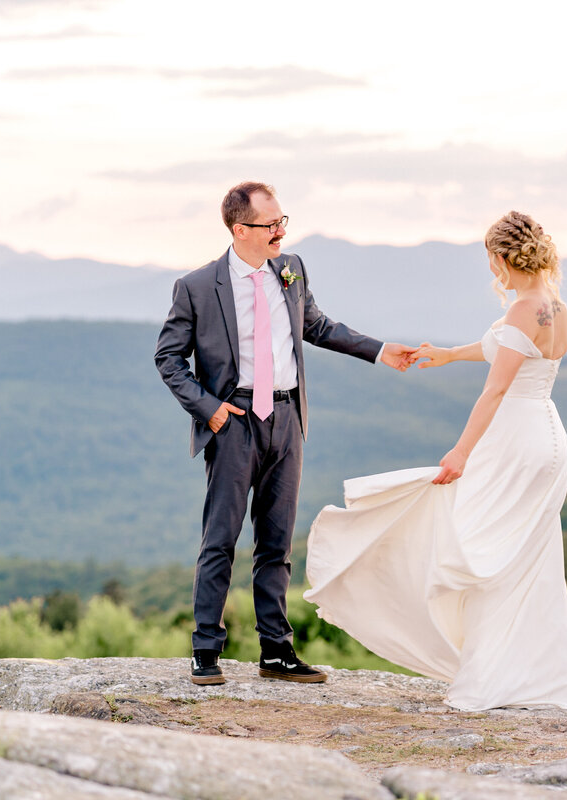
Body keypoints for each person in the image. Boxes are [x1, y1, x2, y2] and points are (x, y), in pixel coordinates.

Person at [304, 211, 567, 710]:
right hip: (546, 436)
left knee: (477, 551)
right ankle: (528, 678)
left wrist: (460, 452)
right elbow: (508, 352)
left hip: (516, 438)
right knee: (516, 556)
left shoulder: (525, 309)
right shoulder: (552, 305)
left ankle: (495, 678)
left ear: (500, 258)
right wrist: (450, 354)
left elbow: (495, 390)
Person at [155, 181, 416, 686]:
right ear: (239, 230)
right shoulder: (196, 286)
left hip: (287, 421)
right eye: (270, 224)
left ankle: (276, 652)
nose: (280, 231)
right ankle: (205, 651)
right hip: (233, 425)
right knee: (221, 540)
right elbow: (168, 358)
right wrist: (209, 410)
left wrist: (381, 350)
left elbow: (316, 325)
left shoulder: (290, 268)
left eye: (282, 222)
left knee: (276, 543)